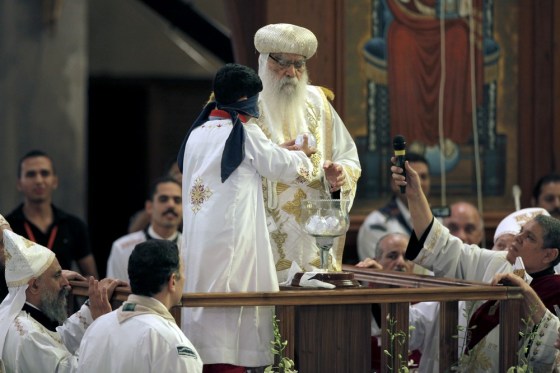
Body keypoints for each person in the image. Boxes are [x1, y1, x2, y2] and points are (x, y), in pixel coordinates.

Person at [177, 63, 315, 372]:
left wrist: (273, 150)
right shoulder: (245, 132)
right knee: (231, 331)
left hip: (199, 247)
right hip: (232, 246)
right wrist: (305, 153)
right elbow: (283, 167)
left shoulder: (198, 131)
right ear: (245, 99)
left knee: (204, 323)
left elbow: (247, 160)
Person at [392, 159, 560, 372]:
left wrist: (527, 293)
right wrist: (415, 195)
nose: (517, 239)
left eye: (529, 238)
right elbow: (444, 247)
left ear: (549, 255)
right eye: (520, 232)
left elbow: (553, 353)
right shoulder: (497, 261)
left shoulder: (556, 290)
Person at [253, 23, 362, 282]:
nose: (291, 72)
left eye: (299, 64)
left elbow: (348, 157)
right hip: (265, 230)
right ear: (264, 60)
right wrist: (272, 157)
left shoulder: (318, 102)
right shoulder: (244, 102)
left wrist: (339, 176)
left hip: (314, 236)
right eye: (282, 63)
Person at [0, 230, 123, 372]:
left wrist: (91, 308)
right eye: (57, 275)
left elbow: (58, 341)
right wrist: (101, 324)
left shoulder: (23, 320)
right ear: (34, 285)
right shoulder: (27, 334)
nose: (66, 283)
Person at [78, 239, 202, 372]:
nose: (185, 278)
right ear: (172, 281)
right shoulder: (171, 342)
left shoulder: (96, 328)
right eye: (183, 272)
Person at [6, 150, 98, 278]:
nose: (38, 180)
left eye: (45, 173)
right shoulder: (7, 229)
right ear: (19, 183)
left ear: (55, 181)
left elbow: (91, 278)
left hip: (64, 297)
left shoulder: (74, 226)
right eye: (31, 174)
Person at [107, 176, 183, 282]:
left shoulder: (192, 248)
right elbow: (115, 294)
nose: (171, 205)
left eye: (177, 200)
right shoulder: (122, 248)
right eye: (163, 199)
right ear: (149, 207)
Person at [357, 152, 430, 263]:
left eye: (423, 177)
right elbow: (380, 272)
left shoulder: (437, 219)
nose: (418, 183)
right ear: (395, 183)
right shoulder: (377, 224)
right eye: (411, 177)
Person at [128, 159, 183, 233]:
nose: (180, 177)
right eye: (176, 173)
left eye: (184, 173)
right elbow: (133, 235)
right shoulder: (151, 210)